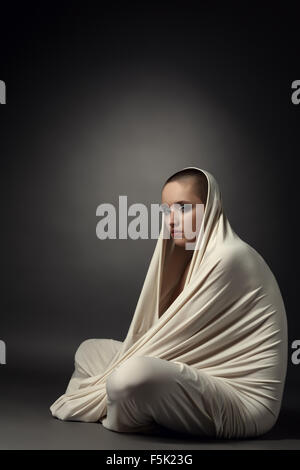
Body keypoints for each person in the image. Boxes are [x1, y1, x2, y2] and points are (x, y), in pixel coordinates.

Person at [50, 167, 288, 440]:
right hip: (195, 372)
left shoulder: (229, 257)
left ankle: (129, 405)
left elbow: (174, 340)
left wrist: (116, 375)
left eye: (183, 208)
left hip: (241, 401)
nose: (171, 220)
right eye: (166, 211)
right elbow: (172, 343)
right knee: (89, 350)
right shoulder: (191, 256)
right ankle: (133, 402)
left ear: (211, 208)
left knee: (129, 376)